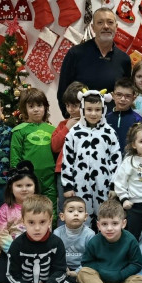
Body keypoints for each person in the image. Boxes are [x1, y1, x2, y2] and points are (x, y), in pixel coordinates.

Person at [0, 195, 69, 283]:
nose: (37, 228)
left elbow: (60, 272)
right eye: (31, 222)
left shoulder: (57, 243)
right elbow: (11, 275)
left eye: (42, 222)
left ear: (50, 220)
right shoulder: (17, 244)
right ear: (23, 221)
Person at [61, 90, 121, 228]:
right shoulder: (74, 133)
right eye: (89, 109)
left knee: (105, 215)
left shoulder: (109, 132)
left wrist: (114, 185)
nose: (93, 114)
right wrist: (68, 185)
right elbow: (67, 160)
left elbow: (116, 160)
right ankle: (84, 244)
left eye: (97, 110)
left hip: (103, 183)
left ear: (103, 110)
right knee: (82, 215)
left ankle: (104, 242)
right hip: (79, 184)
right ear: (82, 109)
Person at [57, 7, 131, 116]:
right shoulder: (75, 54)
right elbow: (63, 91)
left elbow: (126, 94)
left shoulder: (124, 59)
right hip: (81, 123)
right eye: (100, 22)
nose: (105, 26)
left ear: (116, 27)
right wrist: (70, 117)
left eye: (110, 22)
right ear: (93, 27)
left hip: (111, 123)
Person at [78, 200, 142, 283]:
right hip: (99, 280)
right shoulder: (94, 241)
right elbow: (87, 262)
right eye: (104, 224)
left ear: (123, 224)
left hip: (122, 281)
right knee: (83, 272)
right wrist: (103, 272)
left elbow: (137, 264)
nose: (109, 228)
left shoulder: (130, 240)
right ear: (98, 225)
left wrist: (120, 274)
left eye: (115, 223)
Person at [10, 88, 57, 214]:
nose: (36, 109)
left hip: (50, 177)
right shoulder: (19, 131)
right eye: (31, 106)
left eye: (39, 105)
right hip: (29, 179)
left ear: (45, 107)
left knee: (51, 209)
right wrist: (19, 177)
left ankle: (49, 231)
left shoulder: (52, 130)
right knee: (29, 209)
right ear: (25, 109)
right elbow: (15, 156)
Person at [50, 81, 87, 218]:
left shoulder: (90, 125)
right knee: (64, 206)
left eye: (75, 105)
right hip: (63, 171)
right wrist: (67, 128)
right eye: (68, 105)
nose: (71, 109)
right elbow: (55, 146)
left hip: (84, 171)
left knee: (84, 204)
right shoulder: (63, 124)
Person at [0, 161, 40, 254]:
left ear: (35, 186)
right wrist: (16, 252)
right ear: (11, 188)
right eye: (19, 185)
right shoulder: (4, 210)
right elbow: (1, 234)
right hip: (12, 253)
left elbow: (46, 228)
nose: (24, 189)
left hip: (37, 251)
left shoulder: (41, 207)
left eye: (28, 185)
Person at [53, 195, 95, 283]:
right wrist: (64, 268)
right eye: (71, 211)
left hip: (83, 268)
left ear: (85, 216)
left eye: (80, 211)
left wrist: (76, 272)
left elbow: (90, 259)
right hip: (64, 268)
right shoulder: (57, 233)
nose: (76, 214)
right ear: (62, 216)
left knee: (92, 274)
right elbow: (55, 256)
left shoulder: (90, 235)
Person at [106, 77, 142, 154]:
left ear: (134, 98)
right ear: (113, 95)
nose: (123, 99)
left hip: (129, 161)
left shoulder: (137, 119)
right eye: (119, 95)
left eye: (128, 96)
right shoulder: (105, 118)